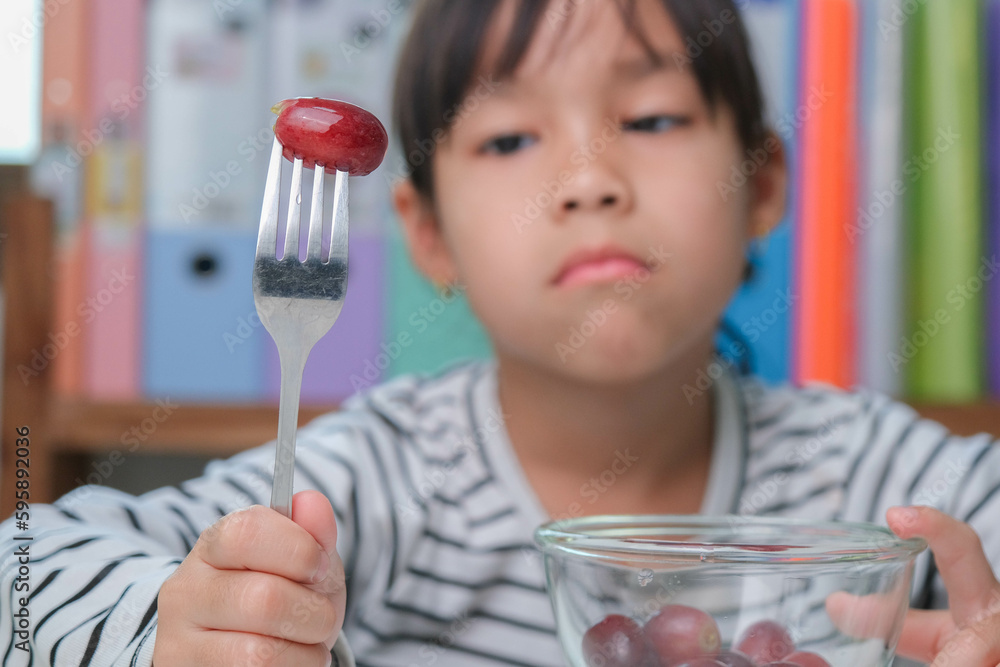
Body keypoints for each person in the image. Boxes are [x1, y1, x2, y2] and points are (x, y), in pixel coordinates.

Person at [3, 0, 999, 665]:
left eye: (652, 118)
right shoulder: (380, 477)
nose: (588, 180)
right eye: (510, 137)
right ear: (429, 234)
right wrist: (175, 631)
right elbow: (27, 563)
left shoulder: (870, 475)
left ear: (762, 183)